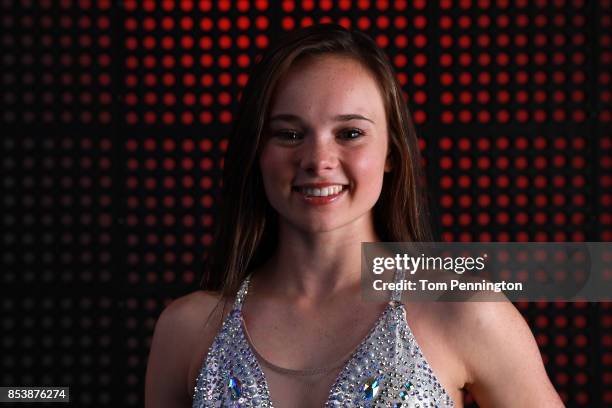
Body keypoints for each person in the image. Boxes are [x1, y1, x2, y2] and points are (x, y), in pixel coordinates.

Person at [145, 24, 564, 407]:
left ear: (391, 155)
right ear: (257, 152)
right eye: (289, 134)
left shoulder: (463, 309)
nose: (318, 160)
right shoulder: (187, 329)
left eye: (350, 133)